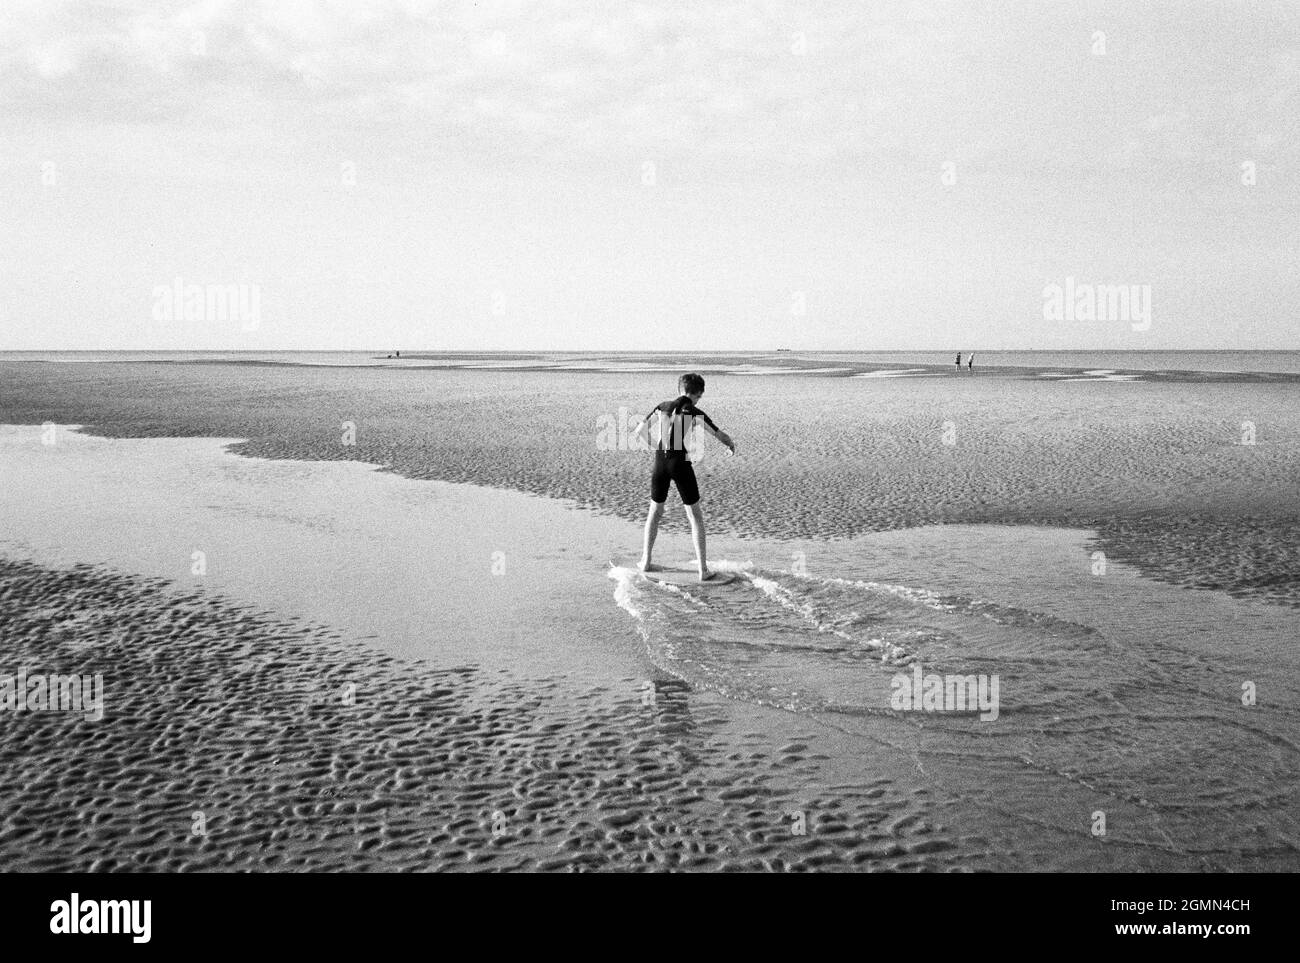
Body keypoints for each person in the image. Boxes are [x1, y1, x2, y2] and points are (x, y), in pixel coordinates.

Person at [633, 373, 736, 581]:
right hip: (680, 463)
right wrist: (731, 445)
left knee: (655, 511)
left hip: (660, 462)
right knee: (694, 515)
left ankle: (645, 561)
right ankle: (703, 570)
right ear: (697, 395)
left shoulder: (662, 406)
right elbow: (719, 434)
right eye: (699, 396)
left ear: (679, 389)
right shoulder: (694, 411)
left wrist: (657, 447)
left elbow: (639, 431)